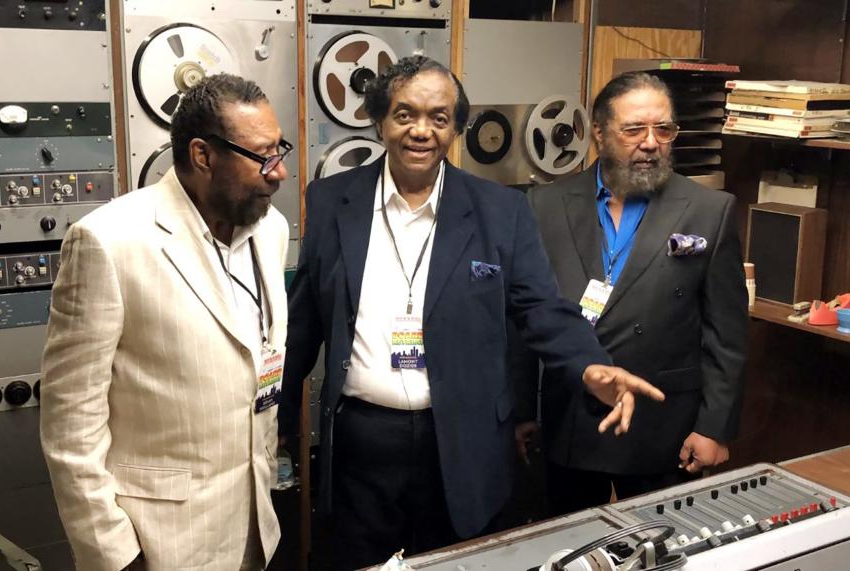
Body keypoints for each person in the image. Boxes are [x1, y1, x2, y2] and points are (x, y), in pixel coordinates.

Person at [279, 56, 665, 570]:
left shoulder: (499, 210)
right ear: (379, 121)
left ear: (457, 128)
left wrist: (588, 364)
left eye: (439, 118)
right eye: (405, 114)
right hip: (362, 443)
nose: (422, 131)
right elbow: (303, 321)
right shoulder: (332, 200)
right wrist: (277, 417)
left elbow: (541, 307)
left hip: (462, 439)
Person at [40, 73, 293, 571]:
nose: (279, 172)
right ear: (203, 156)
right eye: (263, 155)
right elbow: (70, 431)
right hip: (159, 544)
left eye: (278, 149)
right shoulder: (108, 243)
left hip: (254, 527)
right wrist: (116, 556)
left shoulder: (271, 230)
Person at [518, 71, 748, 515]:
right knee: (567, 551)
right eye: (634, 129)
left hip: (664, 427)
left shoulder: (709, 211)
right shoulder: (543, 205)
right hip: (570, 421)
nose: (651, 142)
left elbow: (727, 334)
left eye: (664, 129)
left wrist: (715, 428)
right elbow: (523, 320)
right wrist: (523, 409)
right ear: (600, 134)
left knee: (663, 553)